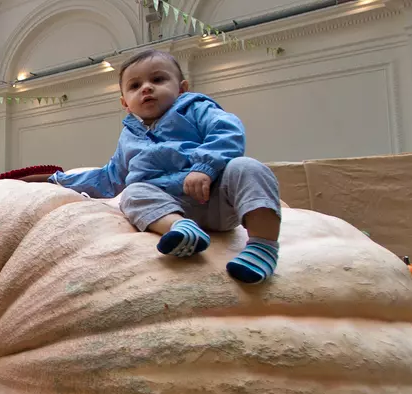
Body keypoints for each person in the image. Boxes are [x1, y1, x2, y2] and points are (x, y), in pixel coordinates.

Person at [49, 50, 281, 284]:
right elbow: (110, 177)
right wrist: (59, 181)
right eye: (135, 86)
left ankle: (263, 246)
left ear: (182, 88)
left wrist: (204, 167)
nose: (146, 88)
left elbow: (228, 131)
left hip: (215, 196)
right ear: (125, 103)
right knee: (132, 193)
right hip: (169, 206)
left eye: (158, 80)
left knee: (247, 168)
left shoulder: (196, 109)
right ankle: (181, 230)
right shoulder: (128, 137)